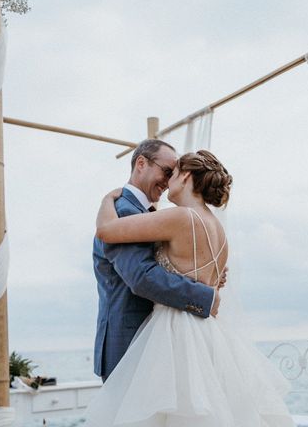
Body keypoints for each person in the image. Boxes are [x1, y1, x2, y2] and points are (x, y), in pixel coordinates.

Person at [84, 149, 295, 427]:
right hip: (210, 336)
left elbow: (107, 231)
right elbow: (205, 275)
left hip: (173, 333)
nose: (168, 179)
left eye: (172, 173)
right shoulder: (217, 229)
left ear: (185, 175)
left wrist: (105, 199)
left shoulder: (180, 217)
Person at [92, 139, 223, 381]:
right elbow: (141, 277)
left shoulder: (158, 217)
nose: (168, 180)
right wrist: (205, 296)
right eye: (166, 171)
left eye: (173, 173)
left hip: (166, 341)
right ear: (141, 163)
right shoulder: (124, 210)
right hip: (129, 343)